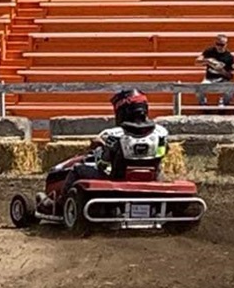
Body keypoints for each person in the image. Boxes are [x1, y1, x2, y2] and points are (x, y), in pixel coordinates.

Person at [36, 90, 169, 213]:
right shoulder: (161, 133)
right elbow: (162, 154)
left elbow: (103, 165)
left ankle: (60, 205)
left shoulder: (113, 135)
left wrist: (99, 149)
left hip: (118, 180)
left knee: (77, 169)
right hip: (151, 179)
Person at [195, 34, 234, 107]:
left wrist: (222, 71)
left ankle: (224, 105)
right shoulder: (209, 51)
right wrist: (207, 61)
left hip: (222, 79)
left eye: (222, 45)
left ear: (226, 45)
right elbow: (197, 61)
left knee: (229, 90)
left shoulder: (229, 57)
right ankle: (203, 105)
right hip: (209, 78)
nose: (219, 47)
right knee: (200, 88)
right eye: (217, 44)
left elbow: (230, 76)